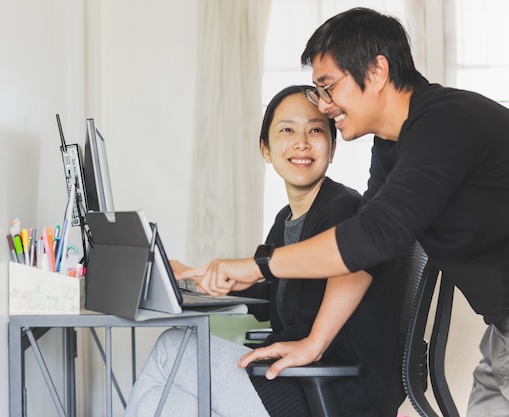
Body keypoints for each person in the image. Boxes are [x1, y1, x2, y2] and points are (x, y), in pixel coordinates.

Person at [181, 8, 509, 417]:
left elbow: (371, 236)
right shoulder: (393, 147)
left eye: (328, 87)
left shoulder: (445, 123)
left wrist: (261, 265)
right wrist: (314, 343)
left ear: (376, 72)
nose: (325, 105)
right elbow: (366, 251)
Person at [124, 85, 403, 417]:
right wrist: (193, 276)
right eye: (287, 130)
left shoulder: (342, 210)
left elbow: (310, 321)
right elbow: (269, 289)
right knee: (166, 403)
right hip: (299, 382)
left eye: (315, 129)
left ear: (332, 149)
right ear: (266, 149)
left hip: (330, 391)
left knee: (174, 346)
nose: (301, 142)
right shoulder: (286, 220)